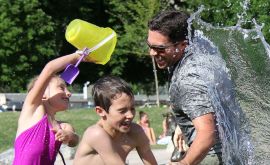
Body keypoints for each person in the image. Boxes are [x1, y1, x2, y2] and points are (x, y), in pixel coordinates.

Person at [148, 10, 238, 164]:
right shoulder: (203, 48)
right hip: (234, 147)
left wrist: (183, 163)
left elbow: (207, 133)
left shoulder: (188, 79)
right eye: (150, 45)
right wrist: (182, 125)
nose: (152, 53)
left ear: (183, 45)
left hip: (212, 156)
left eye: (160, 49)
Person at [13, 52, 81, 165]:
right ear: (42, 94)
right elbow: (50, 68)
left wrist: (70, 136)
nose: (69, 93)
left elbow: (75, 141)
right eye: (61, 88)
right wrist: (77, 57)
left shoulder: (63, 126)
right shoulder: (33, 111)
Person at [73, 76, 157, 165]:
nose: (130, 115)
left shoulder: (135, 132)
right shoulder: (96, 134)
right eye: (122, 111)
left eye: (132, 108)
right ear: (101, 111)